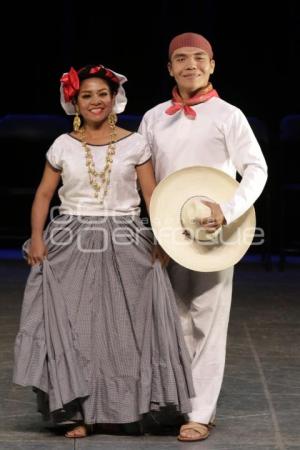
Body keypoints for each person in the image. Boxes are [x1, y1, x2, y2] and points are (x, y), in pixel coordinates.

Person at [13, 63, 194, 438]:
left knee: (126, 331)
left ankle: (126, 410)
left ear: (115, 100)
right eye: (86, 95)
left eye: (102, 94)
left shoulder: (135, 143)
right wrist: (38, 237)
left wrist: (162, 237)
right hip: (72, 238)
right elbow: (44, 195)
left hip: (125, 239)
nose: (95, 101)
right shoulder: (63, 145)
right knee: (75, 327)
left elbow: (150, 195)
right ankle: (74, 413)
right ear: (74, 103)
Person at [138, 32, 268, 442]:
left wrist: (228, 211)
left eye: (199, 58)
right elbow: (145, 174)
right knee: (171, 318)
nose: (190, 64)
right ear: (170, 68)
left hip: (214, 232)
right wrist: (153, 226)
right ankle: (174, 402)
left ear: (211, 65)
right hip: (168, 229)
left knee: (208, 319)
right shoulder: (154, 117)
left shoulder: (229, 115)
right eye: (181, 58)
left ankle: (201, 411)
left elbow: (256, 168)